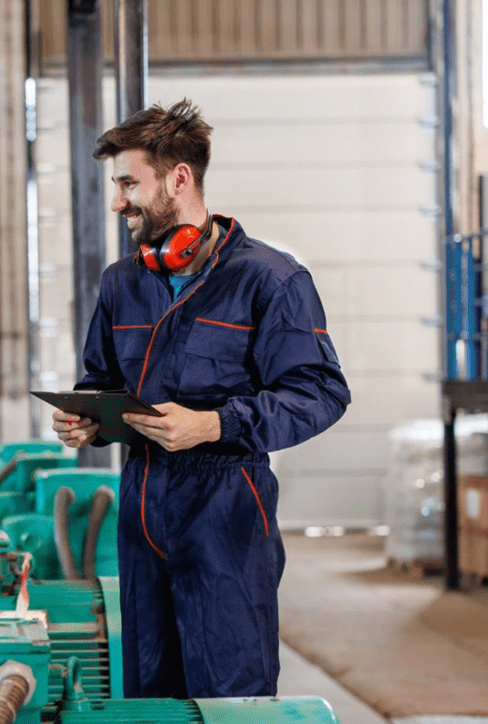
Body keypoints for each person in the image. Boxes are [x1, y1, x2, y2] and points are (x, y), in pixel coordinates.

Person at [51, 99, 350, 699]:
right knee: (150, 695)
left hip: (227, 514)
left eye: (129, 183)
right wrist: (88, 418)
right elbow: (98, 379)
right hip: (142, 511)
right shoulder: (121, 283)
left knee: (230, 695)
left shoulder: (271, 279)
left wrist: (214, 424)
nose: (118, 203)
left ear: (178, 178)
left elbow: (320, 392)